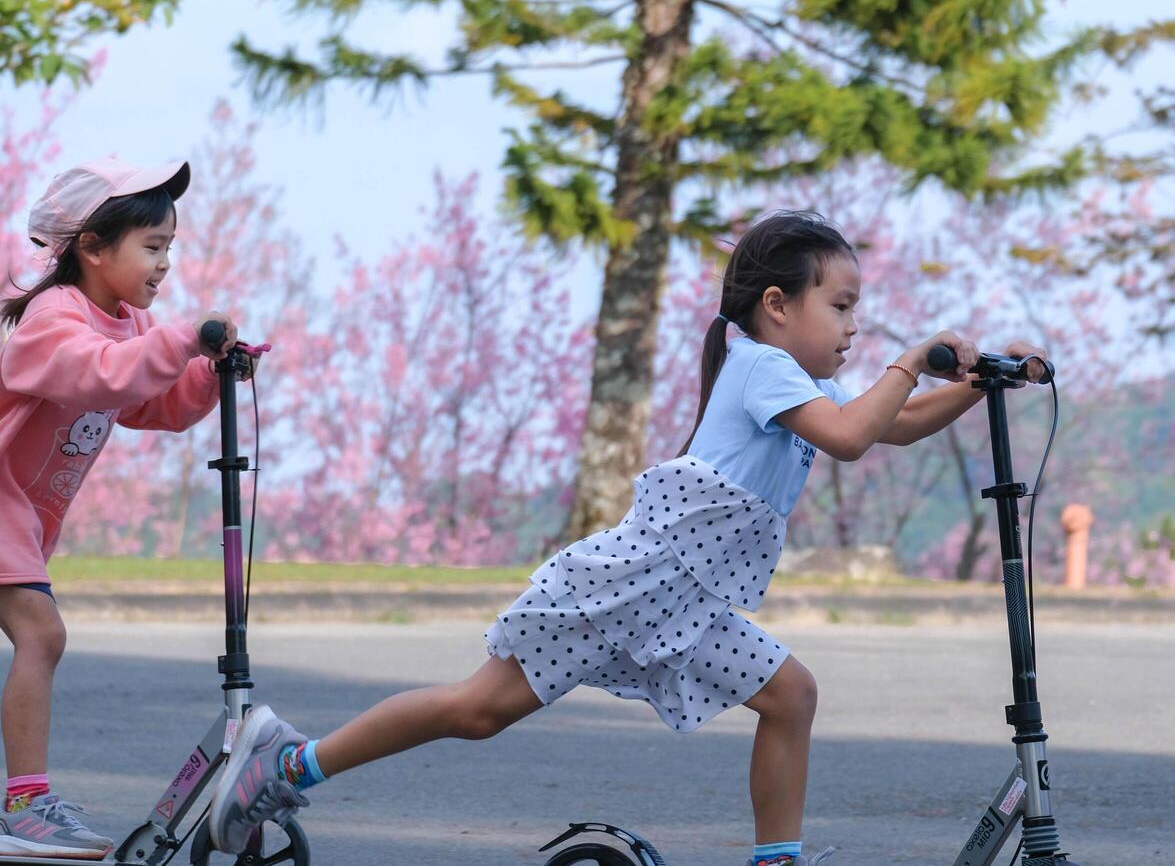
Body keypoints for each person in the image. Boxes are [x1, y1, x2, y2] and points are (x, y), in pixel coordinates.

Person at [209, 210, 1046, 866]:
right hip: (632, 585)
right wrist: (909, 360)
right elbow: (861, 433)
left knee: (791, 696)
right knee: (476, 711)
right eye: (842, 306)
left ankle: (775, 860)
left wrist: (978, 384)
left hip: (690, 603)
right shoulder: (763, 367)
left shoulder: (794, 383)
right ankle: (285, 767)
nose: (853, 326)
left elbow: (890, 428)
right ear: (777, 307)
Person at [0, 159, 250, 860]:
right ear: (92, 246)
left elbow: (147, 401)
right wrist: (176, 341)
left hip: (18, 513)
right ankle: (25, 806)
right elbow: (100, 374)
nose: (165, 263)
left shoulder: (129, 322)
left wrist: (205, 369)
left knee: (35, 637)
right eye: (152, 246)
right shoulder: (52, 319)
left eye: (169, 247)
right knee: (41, 635)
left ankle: (24, 803)